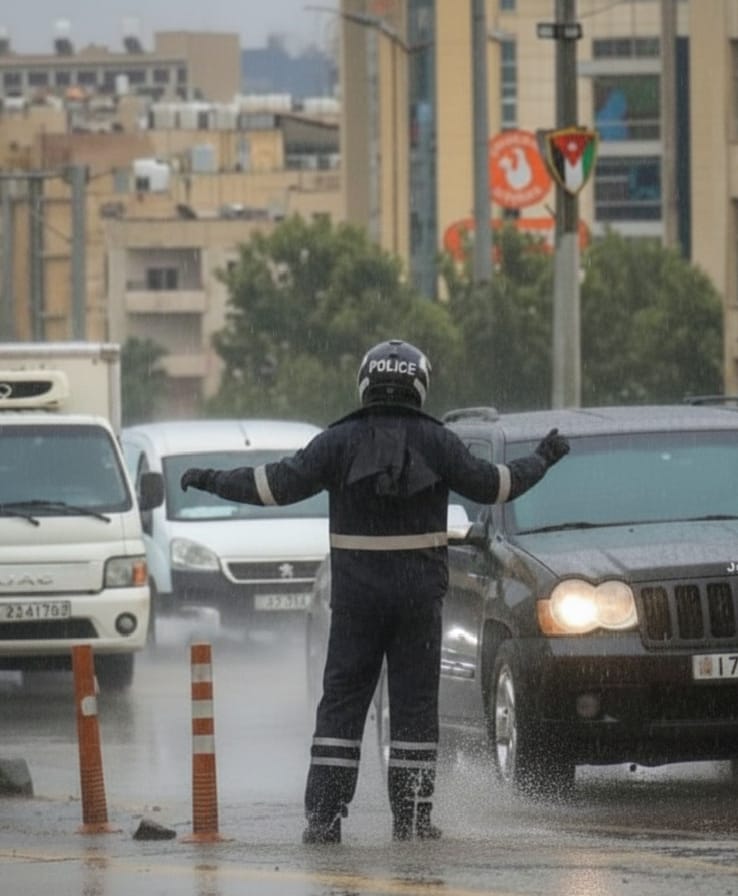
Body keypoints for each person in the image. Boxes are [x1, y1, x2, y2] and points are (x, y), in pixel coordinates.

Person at [180, 338, 570, 845]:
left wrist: (208, 478)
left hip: (356, 605)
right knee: (413, 711)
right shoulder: (438, 441)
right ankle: (412, 820)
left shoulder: (338, 441)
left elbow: (272, 486)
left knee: (341, 708)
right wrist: (543, 457)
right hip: (418, 603)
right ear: (419, 384)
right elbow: (496, 485)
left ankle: (323, 821)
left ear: (367, 382)